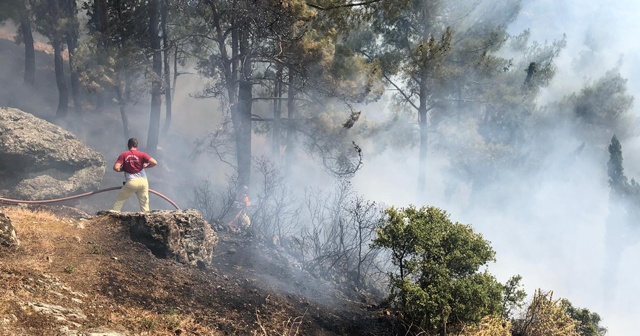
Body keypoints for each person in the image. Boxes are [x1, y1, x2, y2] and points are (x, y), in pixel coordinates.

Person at [111, 138, 157, 212]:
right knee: (145, 205)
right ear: (137, 145)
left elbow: (116, 168)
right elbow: (154, 162)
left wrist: (124, 169)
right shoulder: (142, 154)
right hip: (143, 182)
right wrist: (146, 166)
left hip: (131, 182)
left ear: (128, 145)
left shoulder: (124, 155)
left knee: (119, 201)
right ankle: (146, 220)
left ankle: (112, 217)